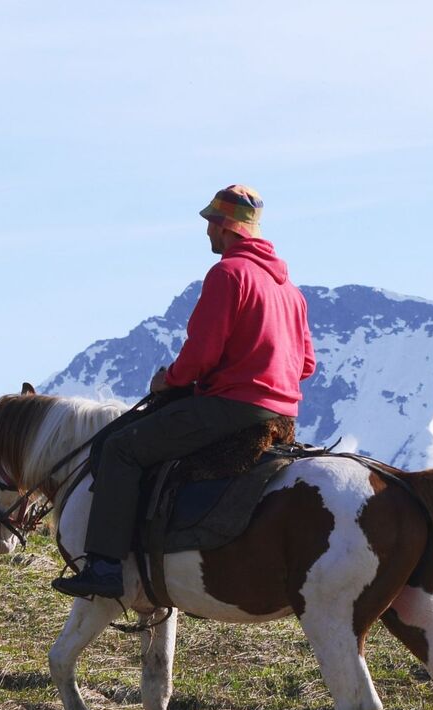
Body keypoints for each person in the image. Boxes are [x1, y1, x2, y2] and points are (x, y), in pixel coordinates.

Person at [52, 185, 316, 599]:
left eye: (210, 222)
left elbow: (202, 354)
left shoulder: (228, 274)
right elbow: (306, 365)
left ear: (224, 226)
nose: (207, 231)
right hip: (282, 415)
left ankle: (104, 567)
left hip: (232, 408)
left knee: (120, 448)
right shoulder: (290, 291)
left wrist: (170, 380)